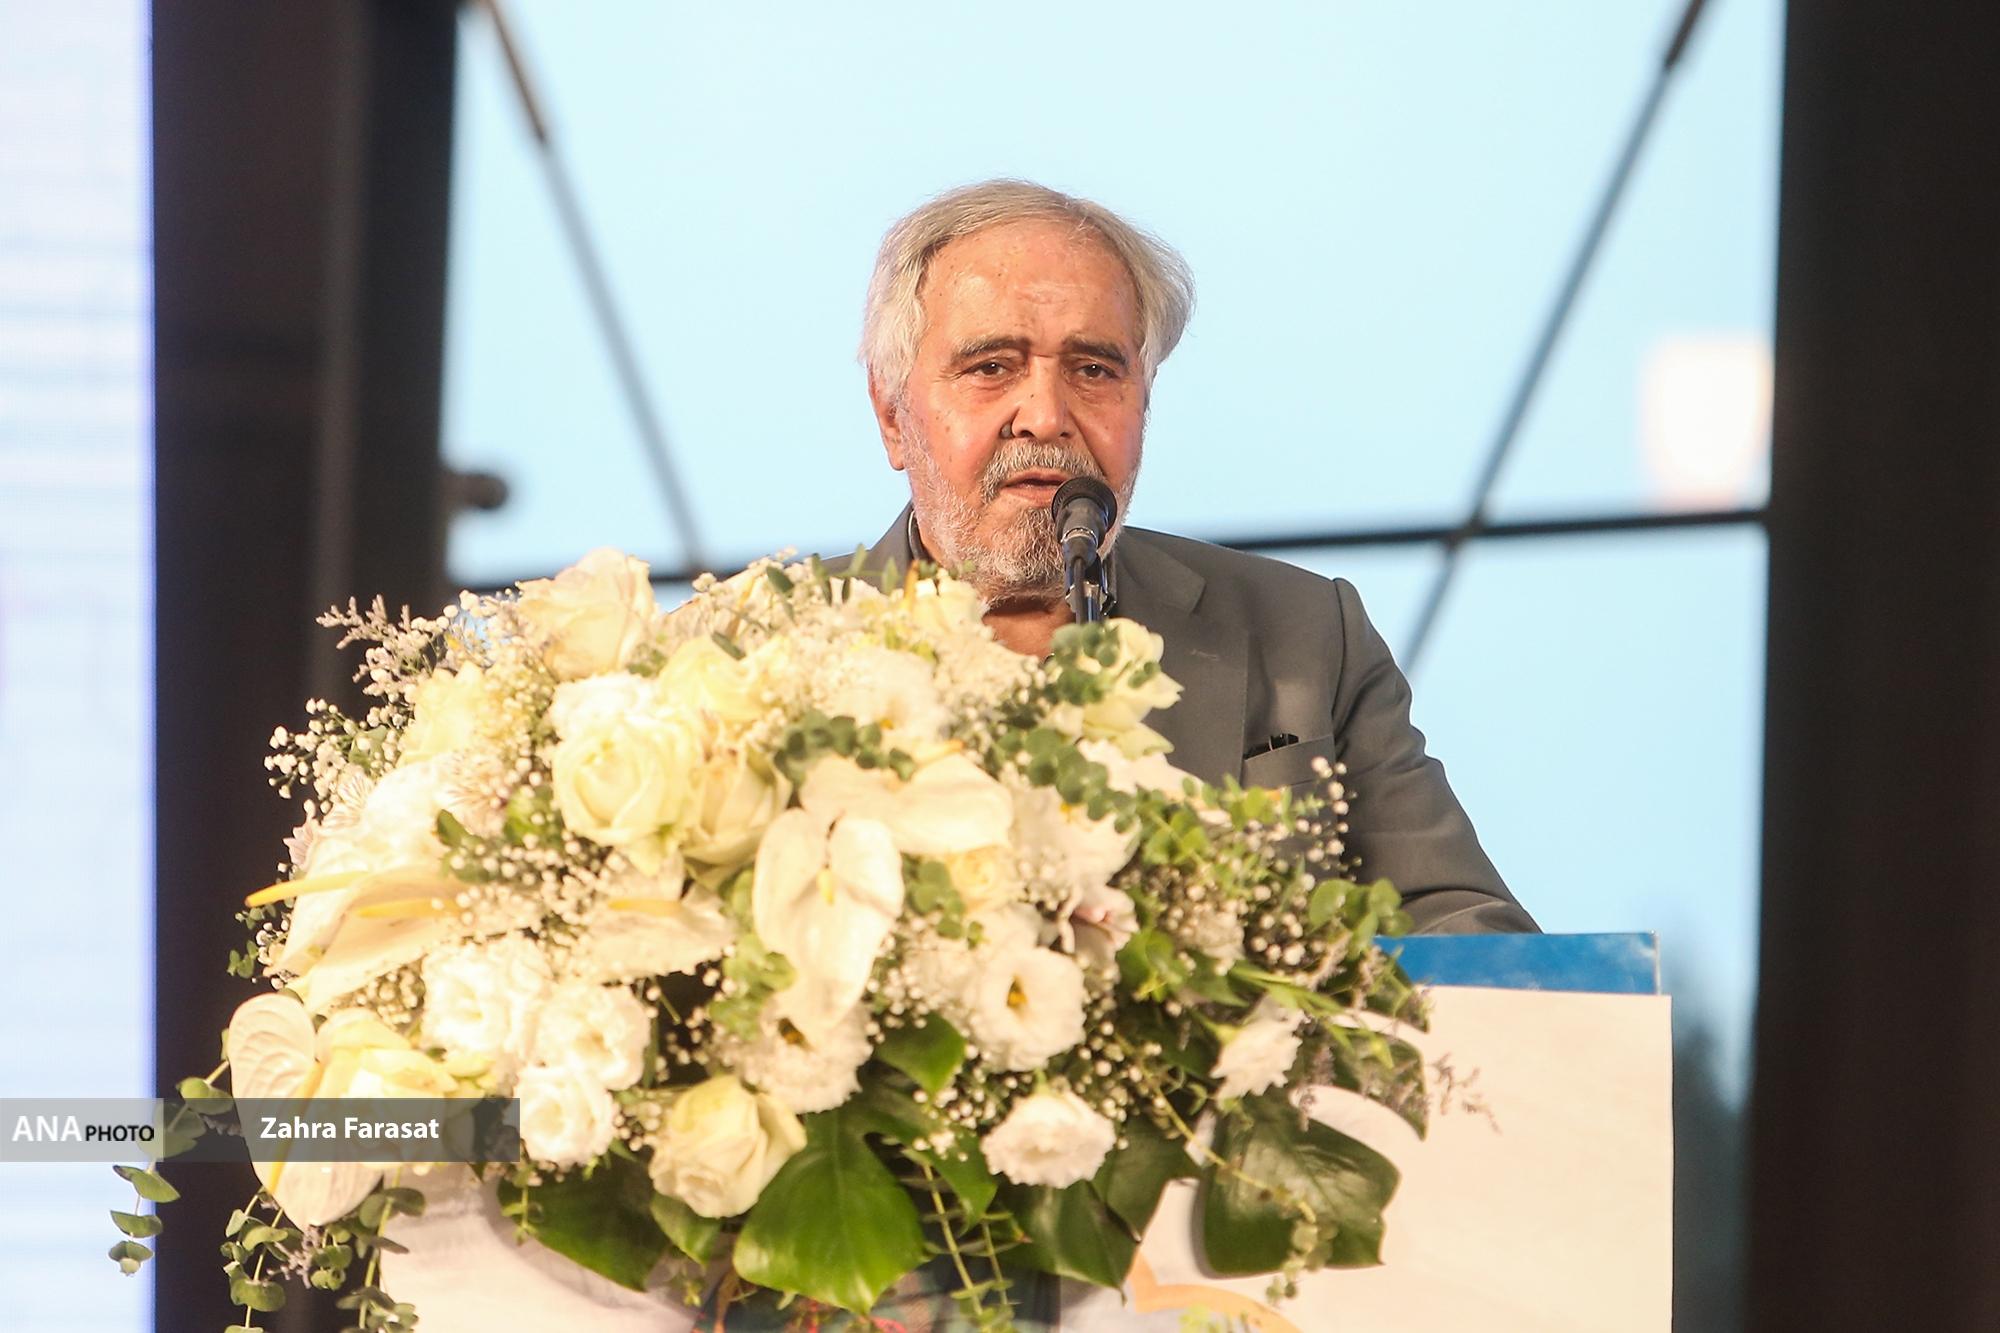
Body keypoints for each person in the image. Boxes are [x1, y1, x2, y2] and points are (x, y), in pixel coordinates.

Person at [853, 180, 1536, 935]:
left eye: (1094, 370)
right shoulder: (763, 656)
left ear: (1144, 402)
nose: (1045, 416)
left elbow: (1467, 931)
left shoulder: (1304, 632)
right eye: (991, 367)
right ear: (893, 415)